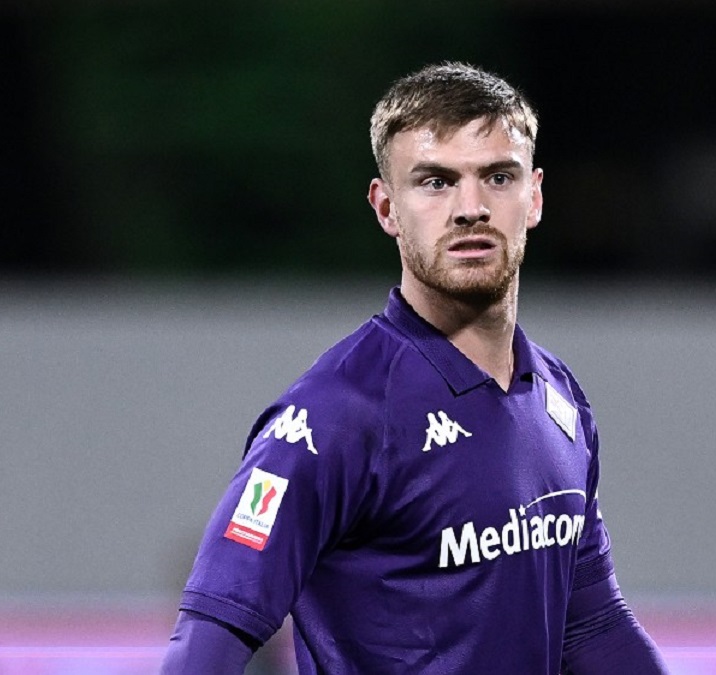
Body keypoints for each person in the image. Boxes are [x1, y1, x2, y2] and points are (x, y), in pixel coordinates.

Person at [161, 62, 670, 674]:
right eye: (435, 182)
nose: (471, 208)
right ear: (386, 208)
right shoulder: (335, 415)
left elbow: (592, 624)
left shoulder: (557, 399)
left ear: (534, 196)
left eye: (498, 177)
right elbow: (209, 638)